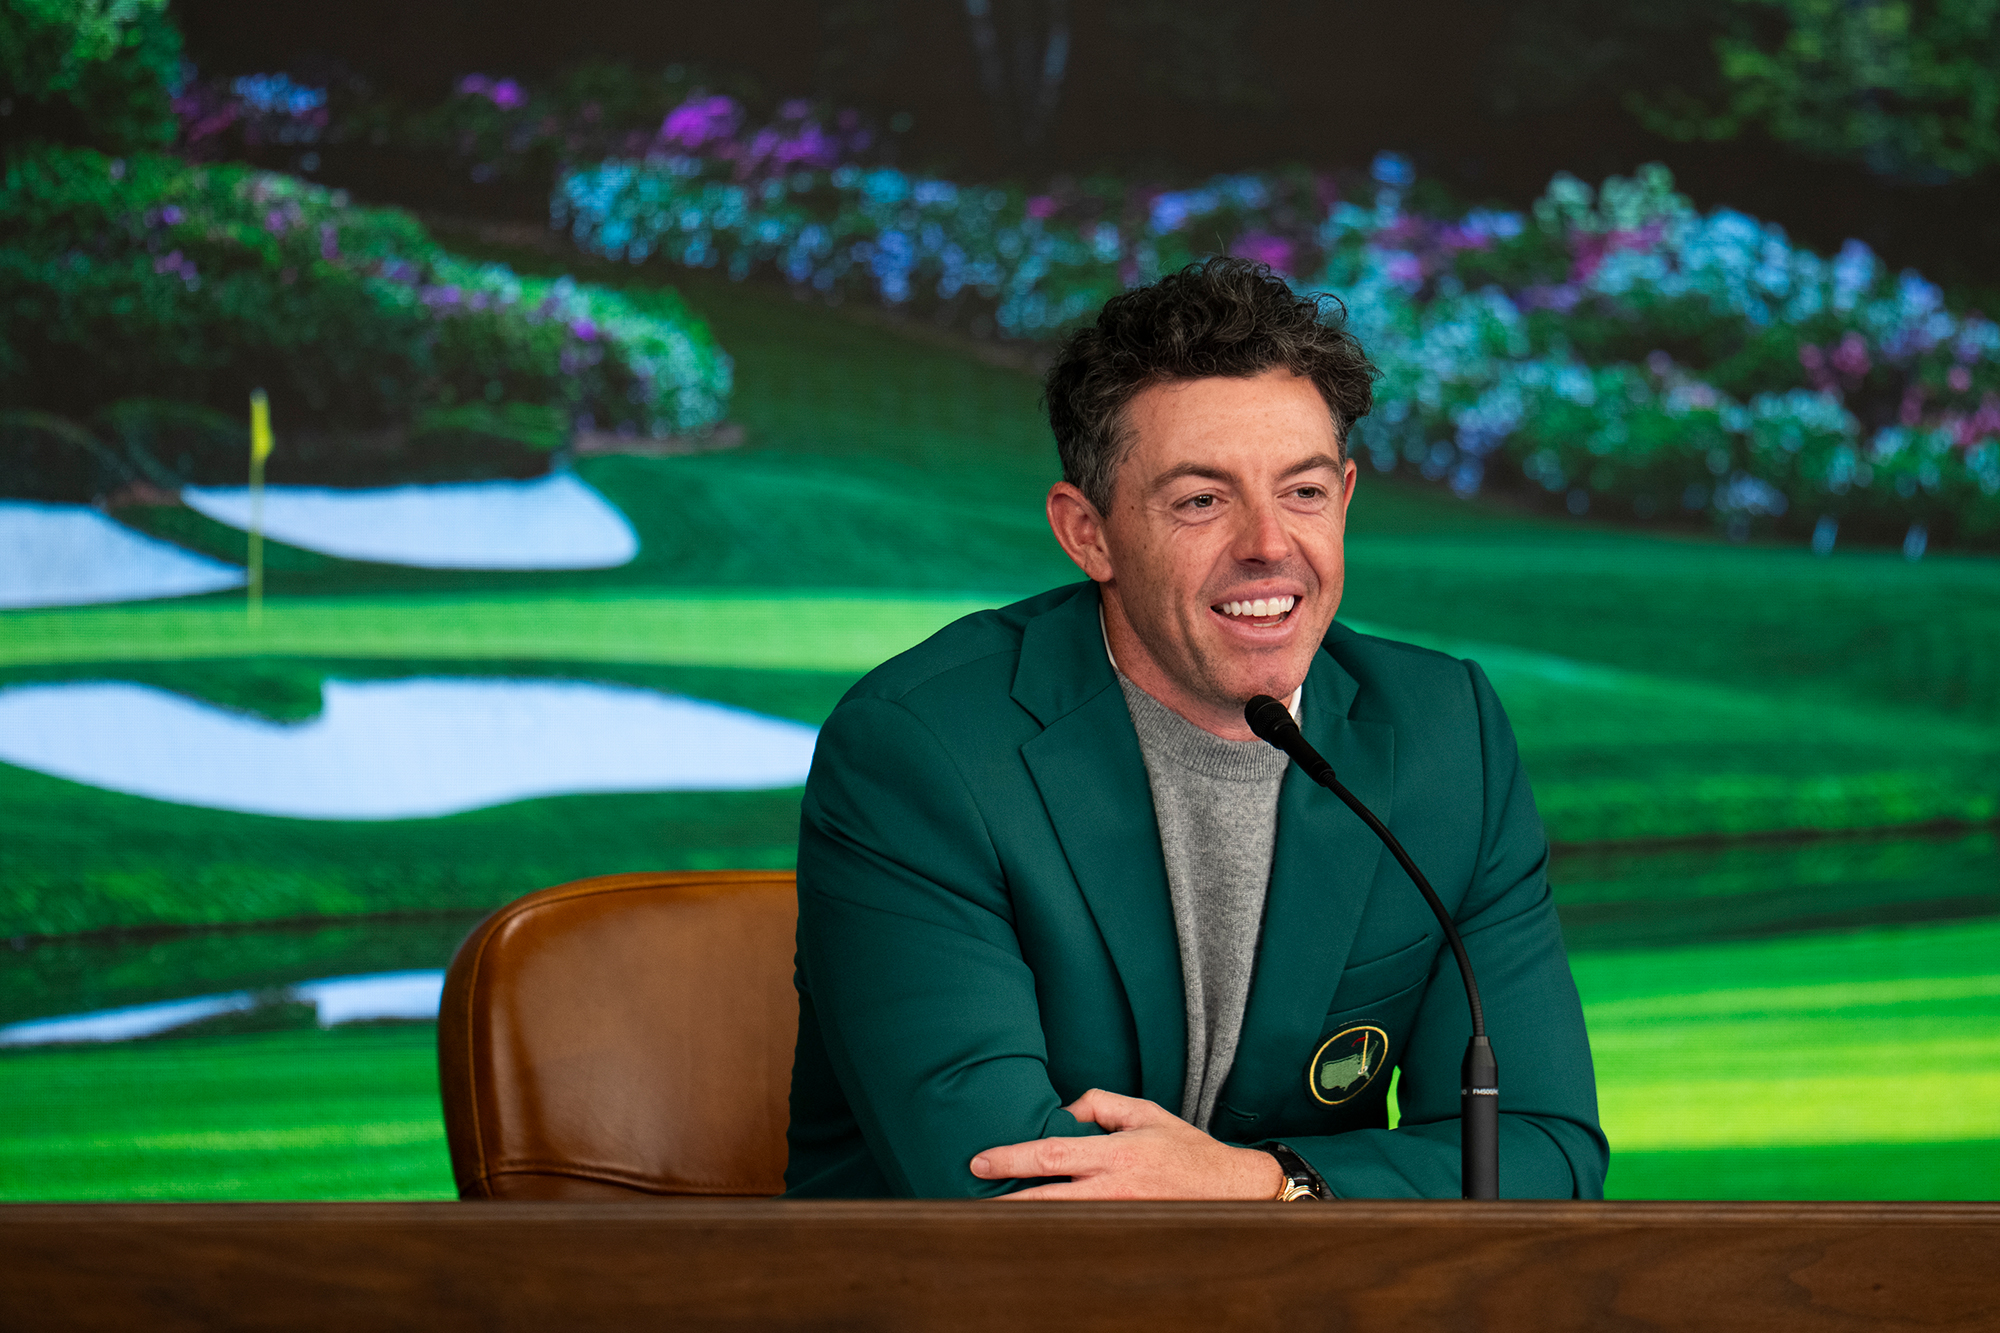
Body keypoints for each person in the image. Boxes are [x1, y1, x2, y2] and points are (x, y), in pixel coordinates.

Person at [783, 257, 1606, 1200]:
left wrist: (1264, 1181)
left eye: (1301, 492)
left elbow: (1543, 1153)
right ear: (1087, 531)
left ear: (1344, 498)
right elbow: (1006, 1188)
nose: (1267, 543)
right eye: (1201, 501)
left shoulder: (1444, 735)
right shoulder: (921, 751)